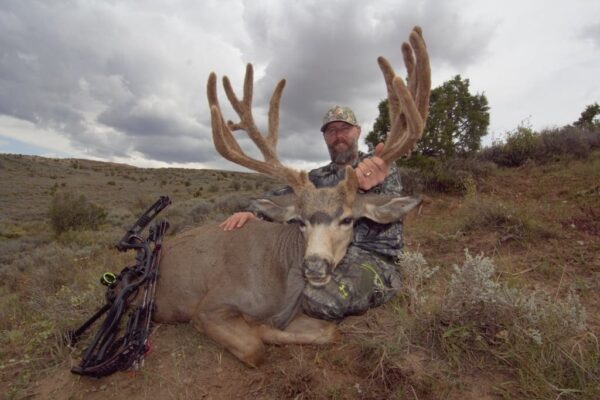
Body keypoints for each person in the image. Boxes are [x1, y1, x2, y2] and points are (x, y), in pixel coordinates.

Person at [220, 105, 405, 321]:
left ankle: (385, 280)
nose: (338, 135)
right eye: (331, 130)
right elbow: (283, 196)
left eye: (344, 128)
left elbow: (392, 208)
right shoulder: (318, 177)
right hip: (325, 250)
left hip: (371, 256)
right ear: (325, 137)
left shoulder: (379, 165)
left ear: (358, 131)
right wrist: (252, 213)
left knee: (319, 300)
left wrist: (368, 186)